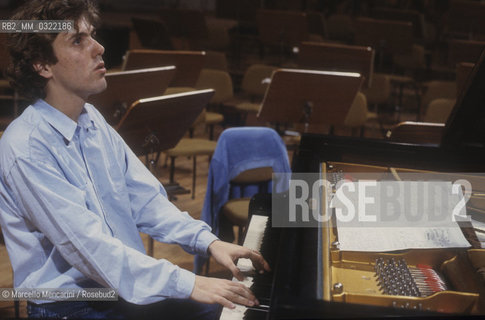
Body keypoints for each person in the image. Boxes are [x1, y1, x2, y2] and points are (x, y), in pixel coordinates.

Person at [0, 0, 269, 319]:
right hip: (70, 306)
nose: (99, 48)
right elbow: (89, 249)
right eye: (78, 40)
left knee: (242, 310)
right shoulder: (27, 146)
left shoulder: (92, 120)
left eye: (92, 35)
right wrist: (187, 282)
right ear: (42, 65)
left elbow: (146, 201)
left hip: (119, 288)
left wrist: (209, 242)